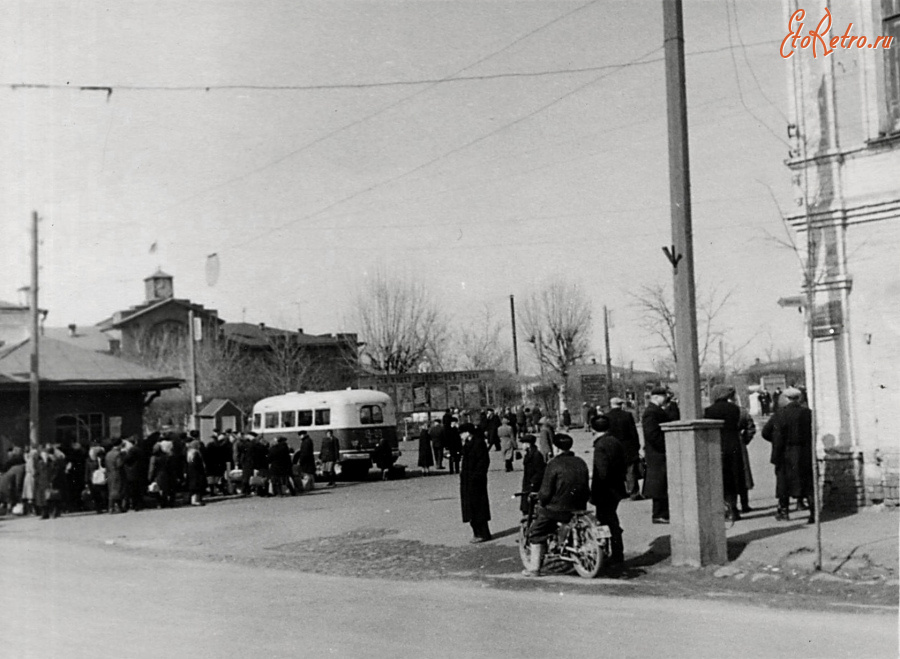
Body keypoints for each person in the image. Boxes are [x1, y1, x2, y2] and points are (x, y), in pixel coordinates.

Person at [522, 433, 590, 577]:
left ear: (556, 448)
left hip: (557, 508)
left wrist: (540, 498)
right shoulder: (580, 461)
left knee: (536, 532)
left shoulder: (554, 464)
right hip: (579, 505)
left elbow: (546, 491)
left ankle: (534, 568)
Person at [762, 387, 814, 523]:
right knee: (807, 483)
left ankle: (784, 512)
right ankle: (813, 512)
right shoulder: (808, 413)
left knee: (784, 483)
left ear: (786, 398)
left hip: (785, 453)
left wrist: (775, 441)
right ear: (799, 398)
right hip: (804, 452)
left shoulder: (780, 414)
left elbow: (765, 432)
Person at [703, 384, 746, 521]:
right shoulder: (734, 409)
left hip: (717, 445)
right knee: (733, 477)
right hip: (733, 445)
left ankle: (724, 509)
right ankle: (734, 508)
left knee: (720, 477)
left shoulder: (709, 411)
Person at [590, 415, 627, 564]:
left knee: (605, 523)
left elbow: (602, 473)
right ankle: (616, 552)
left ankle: (610, 554)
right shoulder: (615, 441)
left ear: (593, 429)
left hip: (605, 491)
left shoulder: (600, 446)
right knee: (612, 520)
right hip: (617, 488)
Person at [642, 387, 671, 524]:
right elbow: (652, 434)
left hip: (657, 453)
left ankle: (662, 512)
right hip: (657, 454)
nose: (666, 399)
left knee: (662, 484)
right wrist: (665, 445)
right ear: (657, 397)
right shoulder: (652, 413)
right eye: (664, 396)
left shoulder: (654, 411)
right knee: (659, 484)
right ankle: (659, 513)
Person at [459, 423, 492, 543]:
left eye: (461, 433)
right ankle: (477, 532)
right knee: (471, 508)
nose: (460, 436)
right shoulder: (468, 444)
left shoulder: (478, 443)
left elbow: (484, 462)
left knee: (479, 508)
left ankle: (483, 533)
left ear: (467, 432)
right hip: (467, 482)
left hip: (476, 482)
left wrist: (476, 476)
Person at [606, 396, 642, 500]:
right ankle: (633, 492)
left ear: (611, 405)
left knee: (616, 470)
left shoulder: (607, 416)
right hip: (628, 446)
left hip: (613, 446)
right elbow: (633, 432)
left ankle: (620, 492)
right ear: (621, 405)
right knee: (630, 470)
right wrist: (637, 445)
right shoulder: (627, 415)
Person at [518, 434, 545, 515]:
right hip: (528, 483)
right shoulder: (529, 453)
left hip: (532, 484)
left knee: (531, 505)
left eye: (523, 443)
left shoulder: (536, 455)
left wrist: (533, 483)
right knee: (527, 505)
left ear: (528, 444)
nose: (522, 446)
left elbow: (540, 471)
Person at [738, 406, 756, 513]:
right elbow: (751, 428)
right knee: (743, 473)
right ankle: (745, 504)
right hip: (739, 443)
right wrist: (745, 439)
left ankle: (731, 506)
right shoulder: (741, 411)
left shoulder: (712, 410)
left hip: (721, 443)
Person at [105, 440, 126, 513]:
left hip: (110, 473)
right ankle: (115, 507)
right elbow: (119, 464)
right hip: (117, 473)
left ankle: (112, 507)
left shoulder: (108, 454)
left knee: (112, 490)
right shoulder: (118, 454)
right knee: (118, 490)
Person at [186, 439, 207, 506]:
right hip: (197, 472)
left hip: (191, 471)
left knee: (193, 486)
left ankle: (193, 500)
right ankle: (195, 500)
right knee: (197, 486)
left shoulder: (189, 453)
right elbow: (197, 463)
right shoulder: (196, 453)